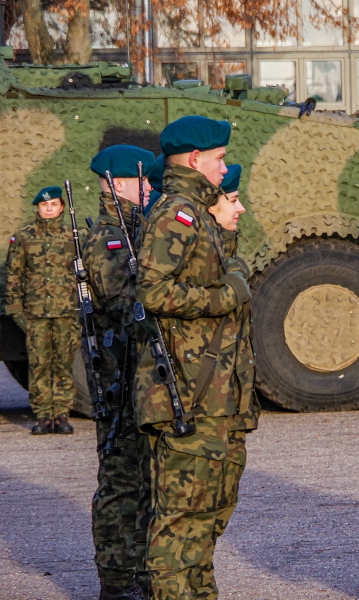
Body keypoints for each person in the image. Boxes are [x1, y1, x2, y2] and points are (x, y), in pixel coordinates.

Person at [134, 116, 258, 599]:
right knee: (180, 521)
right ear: (193, 160)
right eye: (220, 158)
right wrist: (223, 297)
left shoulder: (199, 214)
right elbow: (152, 291)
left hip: (213, 395)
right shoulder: (177, 213)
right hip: (188, 394)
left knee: (207, 515)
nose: (224, 166)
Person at [84, 144, 156, 600]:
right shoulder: (109, 239)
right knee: (120, 481)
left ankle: (140, 570)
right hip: (118, 377)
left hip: (137, 375)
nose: (149, 188)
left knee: (144, 480)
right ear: (115, 184)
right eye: (141, 180)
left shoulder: (134, 231)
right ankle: (116, 579)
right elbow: (122, 303)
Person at [5, 186, 80, 435]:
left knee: (63, 364)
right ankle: (42, 416)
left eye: (54, 205)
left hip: (66, 312)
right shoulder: (24, 237)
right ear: (37, 207)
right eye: (44, 205)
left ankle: (61, 415)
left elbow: (84, 277)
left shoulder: (74, 237)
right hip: (35, 314)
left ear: (61, 207)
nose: (49, 209)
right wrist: (17, 312)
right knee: (38, 365)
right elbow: (14, 277)